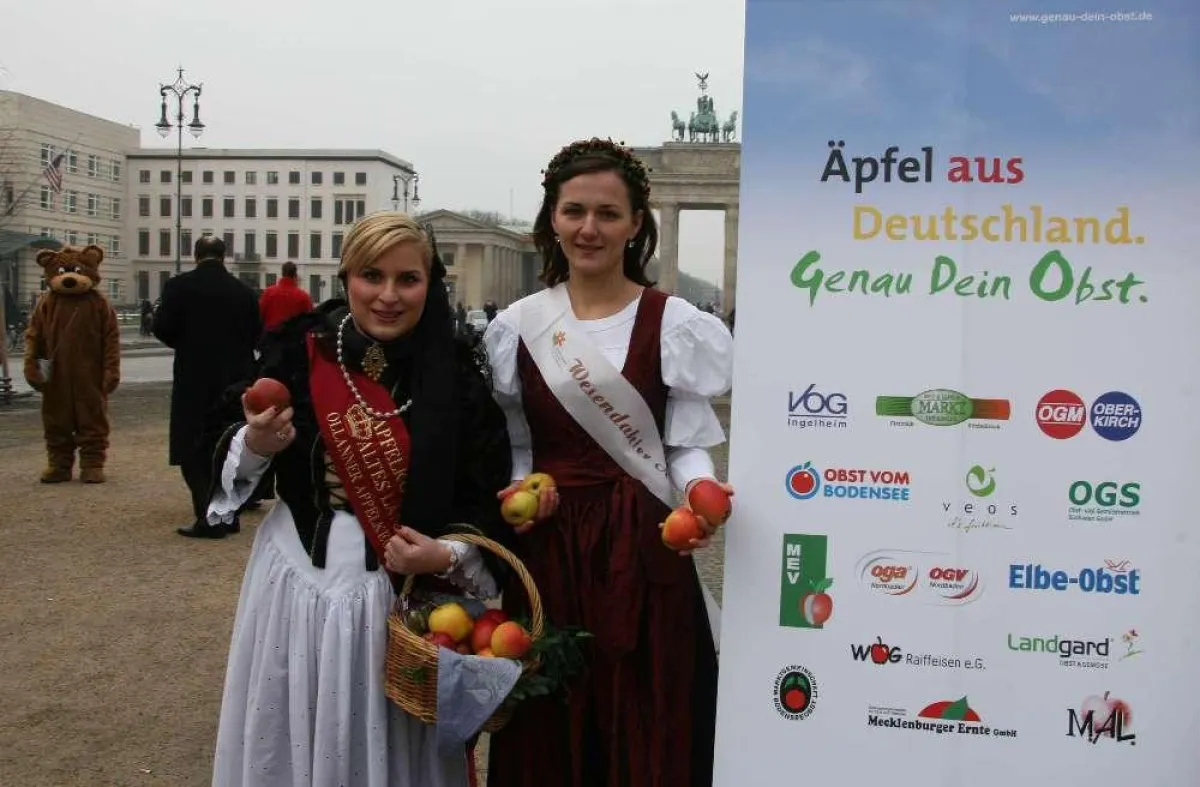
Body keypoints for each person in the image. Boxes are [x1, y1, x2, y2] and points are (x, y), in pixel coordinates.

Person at [203, 212, 515, 786]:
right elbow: (221, 441)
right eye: (372, 275)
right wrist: (256, 444)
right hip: (296, 580)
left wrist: (446, 554)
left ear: (430, 283)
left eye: (408, 279)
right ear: (346, 276)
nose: (388, 296)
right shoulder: (299, 350)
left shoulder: (456, 373)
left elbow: (485, 494)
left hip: (401, 599)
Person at [483, 138, 735, 787]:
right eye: (574, 211)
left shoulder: (674, 322)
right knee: (552, 719)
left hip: (644, 548)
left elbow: (682, 443)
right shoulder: (517, 327)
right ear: (552, 219)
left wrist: (699, 491)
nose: (588, 228)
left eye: (607, 213)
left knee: (649, 712)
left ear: (634, 224)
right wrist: (518, 492)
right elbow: (517, 444)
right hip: (550, 552)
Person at [153, 235, 261, 539]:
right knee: (229, 448)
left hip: (194, 376)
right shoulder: (244, 292)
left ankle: (207, 517)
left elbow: (162, 328)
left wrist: (187, 343)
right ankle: (229, 513)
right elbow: (257, 335)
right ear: (224, 256)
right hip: (234, 378)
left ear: (195, 255)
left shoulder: (178, 287)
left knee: (193, 447)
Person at [259, 261, 314, 331]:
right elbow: (310, 321)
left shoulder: (268, 293)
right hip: (295, 336)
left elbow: (259, 316)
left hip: (271, 335)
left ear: (282, 274)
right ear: (295, 275)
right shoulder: (304, 296)